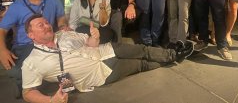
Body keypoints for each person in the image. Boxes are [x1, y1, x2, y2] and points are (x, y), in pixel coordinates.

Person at [22, 14, 194, 102]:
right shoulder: (32, 61)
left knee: (142, 50)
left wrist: (94, 36)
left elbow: (91, 44)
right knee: (141, 64)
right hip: (101, 73)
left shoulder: (65, 35)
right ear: (30, 34)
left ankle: (174, 55)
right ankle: (172, 59)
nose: (46, 26)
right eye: (40, 25)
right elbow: (28, 92)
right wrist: (51, 100)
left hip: (107, 50)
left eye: (46, 22)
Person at [0, 0, 68, 96]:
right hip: (25, 46)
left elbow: (61, 18)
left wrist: (63, 27)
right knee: (22, 70)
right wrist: (2, 50)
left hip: (51, 41)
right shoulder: (16, 7)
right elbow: (2, 30)